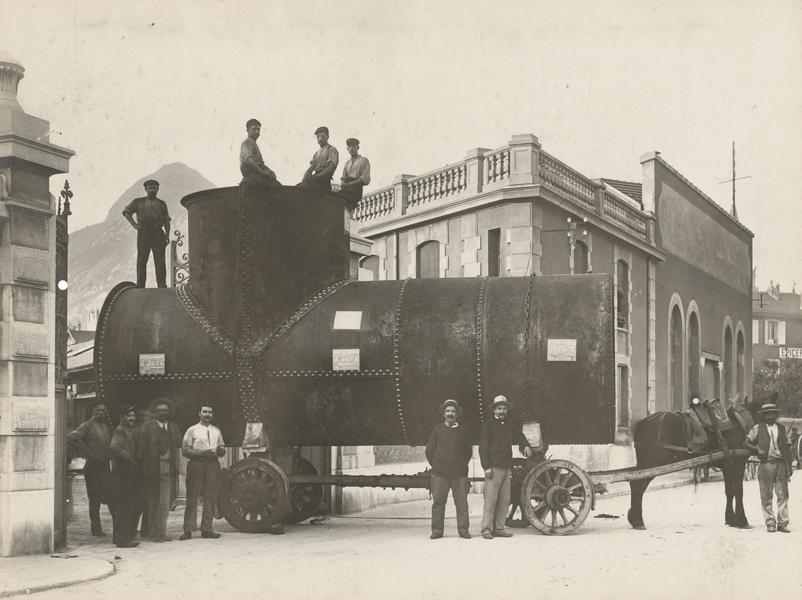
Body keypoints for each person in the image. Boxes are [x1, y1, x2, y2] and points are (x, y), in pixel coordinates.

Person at [479, 395, 533, 540]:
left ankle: (499, 528)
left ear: (507, 410)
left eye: (504, 409)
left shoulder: (509, 425)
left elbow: (519, 436)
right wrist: (486, 466)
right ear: (494, 410)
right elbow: (483, 448)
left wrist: (525, 446)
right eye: (499, 408)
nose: (502, 411)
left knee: (504, 500)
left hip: (506, 468)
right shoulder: (488, 425)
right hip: (493, 469)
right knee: (491, 500)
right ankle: (486, 529)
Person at [425, 399, 473, 540]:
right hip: (440, 475)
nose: (450, 413)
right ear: (444, 414)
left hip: (459, 475)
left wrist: (461, 466)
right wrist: (438, 466)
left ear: (457, 414)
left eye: (453, 411)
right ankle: (437, 531)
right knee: (438, 503)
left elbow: (467, 452)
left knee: (462, 504)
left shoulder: (462, 431)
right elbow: (429, 451)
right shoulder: (437, 430)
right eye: (448, 411)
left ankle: (463, 530)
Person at [744, 402, 793, 533]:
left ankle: (782, 523)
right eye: (767, 413)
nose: (770, 415)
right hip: (766, 465)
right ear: (764, 415)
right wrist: (757, 449)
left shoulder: (782, 429)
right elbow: (746, 442)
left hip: (781, 465)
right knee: (766, 495)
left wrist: (790, 466)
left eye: (772, 413)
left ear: (776, 414)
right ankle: (770, 522)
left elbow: (788, 447)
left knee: (783, 494)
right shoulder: (757, 428)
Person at [138, 398, 182, 542]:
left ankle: (162, 531)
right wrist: (145, 468)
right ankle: (153, 532)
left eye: (165, 410)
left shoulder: (174, 427)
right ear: (155, 412)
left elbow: (178, 446)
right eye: (160, 411)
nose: (163, 413)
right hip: (152, 470)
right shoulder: (147, 427)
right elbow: (142, 449)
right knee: (153, 502)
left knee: (165, 503)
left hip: (169, 469)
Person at [66, 403, 113, 537]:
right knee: (94, 499)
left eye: (104, 411)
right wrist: (87, 451)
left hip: (104, 465)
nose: (101, 413)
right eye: (99, 410)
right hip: (92, 466)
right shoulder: (87, 425)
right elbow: (71, 438)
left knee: (110, 495)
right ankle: (96, 528)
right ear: (93, 411)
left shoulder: (105, 426)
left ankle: (119, 527)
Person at [180, 403, 226, 540]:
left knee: (210, 497)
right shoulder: (192, 430)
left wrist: (221, 451)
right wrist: (202, 453)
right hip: (196, 464)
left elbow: (222, 448)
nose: (207, 414)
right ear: (199, 413)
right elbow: (185, 450)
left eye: (210, 412)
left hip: (212, 465)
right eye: (204, 412)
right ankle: (188, 530)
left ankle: (207, 529)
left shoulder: (216, 431)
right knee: (192, 496)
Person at [122, 179, 171, 288]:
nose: (152, 189)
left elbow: (166, 221)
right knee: (142, 259)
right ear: (145, 189)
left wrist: (167, 236)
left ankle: (162, 284)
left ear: (158, 189)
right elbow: (126, 212)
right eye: (150, 188)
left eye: (154, 187)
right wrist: (134, 224)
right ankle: (140, 284)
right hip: (144, 233)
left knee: (160, 261)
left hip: (158, 233)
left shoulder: (162, 204)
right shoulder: (138, 202)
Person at [109, 405, 140, 548]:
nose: (132, 418)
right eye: (129, 416)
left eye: (133, 415)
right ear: (122, 417)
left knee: (124, 506)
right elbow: (114, 447)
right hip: (122, 473)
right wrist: (128, 458)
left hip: (124, 472)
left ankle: (120, 537)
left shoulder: (126, 430)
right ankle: (123, 539)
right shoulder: (120, 430)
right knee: (125, 506)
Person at [239, 118, 280, 188]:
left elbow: (260, 163)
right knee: (277, 188)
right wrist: (263, 172)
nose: (257, 131)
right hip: (252, 174)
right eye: (254, 129)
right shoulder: (247, 142)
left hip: (256, 173)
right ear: (248, 130)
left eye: (258, 129)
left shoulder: (253, 143)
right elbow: (249, 160)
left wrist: (270, 172)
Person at [299, 126, 338, 193]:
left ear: (327, 137)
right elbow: (311, 168)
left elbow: (330, 169)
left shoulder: (331, 150)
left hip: (323, 182)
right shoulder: (317, 153)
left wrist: (314, 177)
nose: (320, 139)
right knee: (298, 188)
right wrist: (305, 178)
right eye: (318, 136)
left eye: (322, 136)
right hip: (315, 180)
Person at [339, 137, 370, 208]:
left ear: (357, 147)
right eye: (349, 147)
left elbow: (364, 179)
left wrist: (349, 184)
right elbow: (343, 178)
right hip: (346, 189)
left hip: (356, 189)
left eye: (353, 146)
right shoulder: (347, 164)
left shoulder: (363, 160)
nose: (351, 149)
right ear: (347, 148)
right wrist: (343, 184)